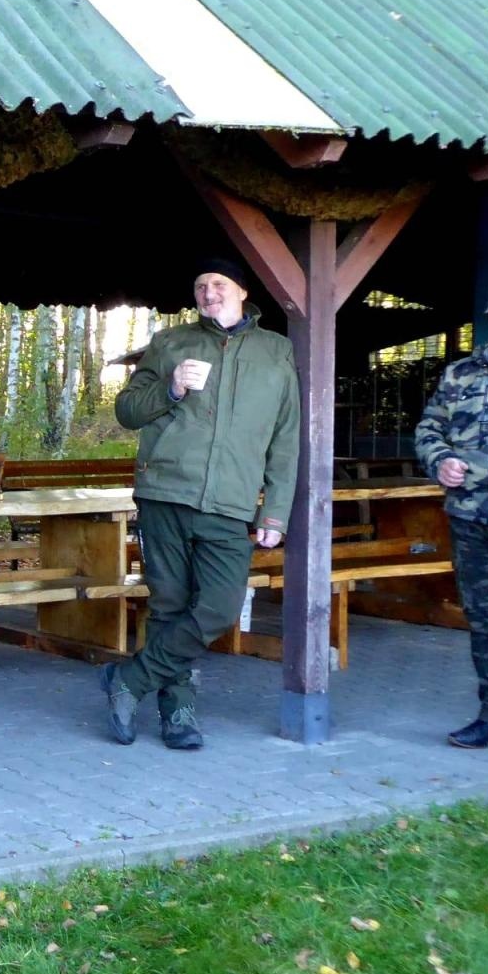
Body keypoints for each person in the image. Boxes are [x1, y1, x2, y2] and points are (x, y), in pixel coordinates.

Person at [100, 258, 299, 749]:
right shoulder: (171, 343)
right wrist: (170, 388)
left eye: (218, 284)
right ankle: (179, 714)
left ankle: (130, 679)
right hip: (166, 491)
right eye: (200, 286)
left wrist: (275, 510)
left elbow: (287, 437)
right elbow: (127, 411)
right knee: (168, 606)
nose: (209, 293)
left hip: (230, 503)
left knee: (218, 607)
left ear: (242, 291)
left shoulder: (277, 352)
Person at [415, 277, 488, 749]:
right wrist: (441, 460)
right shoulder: (461, 374)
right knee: (487, 622)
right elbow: (429, 428)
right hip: (473, 520)